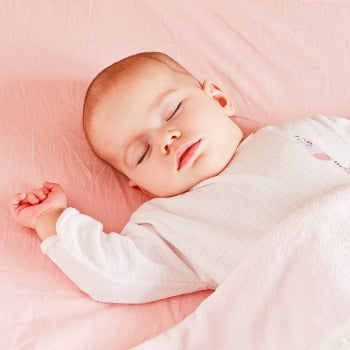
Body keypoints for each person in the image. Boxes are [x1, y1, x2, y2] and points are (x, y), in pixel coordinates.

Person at [10, 52, 350, 304]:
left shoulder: (306, 131)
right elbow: (118, 273)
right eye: (141, 153)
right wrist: (51, 220)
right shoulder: (172, 223)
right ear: (141, 186)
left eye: (173, 111)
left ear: (218, 98)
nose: (165, 139)